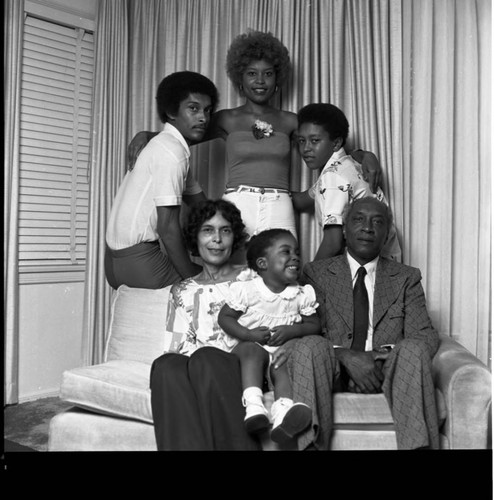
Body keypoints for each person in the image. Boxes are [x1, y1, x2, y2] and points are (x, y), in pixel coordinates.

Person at [127, 30, 383, 244]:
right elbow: (184, 135)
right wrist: (148, 134)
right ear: (240, 78)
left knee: (282, 278)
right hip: (238, 203)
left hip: (280, 204)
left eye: (268, 73)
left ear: (277, 79)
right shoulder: (226, 119)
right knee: (235, 279)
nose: (260, 81)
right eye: (252, 73)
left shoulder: (291, 120)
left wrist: (364, 155)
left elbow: (331, 145)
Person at [150, 199, 334, 450]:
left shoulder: (255, 278)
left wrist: (291, 343)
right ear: (195, 237)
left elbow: (292, 314)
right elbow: (178, 347)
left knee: (207, 358)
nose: (216, 239)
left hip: (250, 365)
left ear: (234, 238)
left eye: (225, 230)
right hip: (202, 368)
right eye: (207, 230)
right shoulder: (181, 291)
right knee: (165, 365)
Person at [302, 196, 440, 449]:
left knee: (414, 349)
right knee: (308, 345)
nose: (367, 228)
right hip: (333, 370)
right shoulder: (317, 273)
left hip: (385, 371)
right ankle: (309, 445)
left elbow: (424, 336)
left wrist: (376, 357)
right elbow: (305, 330)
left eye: (377, 222)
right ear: (344, 229)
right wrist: (346, 357)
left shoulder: (406, 278)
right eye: (358, 220)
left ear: (387, 234)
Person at [104, 71, 218, 289]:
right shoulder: (173, 152)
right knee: (208, 298)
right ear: (170, 111)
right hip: (141, 263)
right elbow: (167, 227)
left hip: (114, 261)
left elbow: (203, 208)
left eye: (207, 110)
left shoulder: (162, 145)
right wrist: (193, 277)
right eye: (193, 108)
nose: (203, 117)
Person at [218, 229, 321, 444]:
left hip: (277, 355)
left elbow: (314, 324)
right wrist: (249, 334)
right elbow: (225, 318)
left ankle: (282, 412)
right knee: (251, 349)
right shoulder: (248, 291)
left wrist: (293, 331)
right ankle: (254, 404)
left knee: (282, 362)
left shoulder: (301, 294)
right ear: (263, 264)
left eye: (297, 252)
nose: (295, 256)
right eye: (286, 252)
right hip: (247, 355)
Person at [292, 103, 402, 262]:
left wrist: (307, 279)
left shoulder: (333, 177)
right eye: (301, 141)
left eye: (315, 140)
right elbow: (302, 200)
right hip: (388, 265)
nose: (306, 148)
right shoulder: (349, 164)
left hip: (370, 270)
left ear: (336, 143)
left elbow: (333, 243)